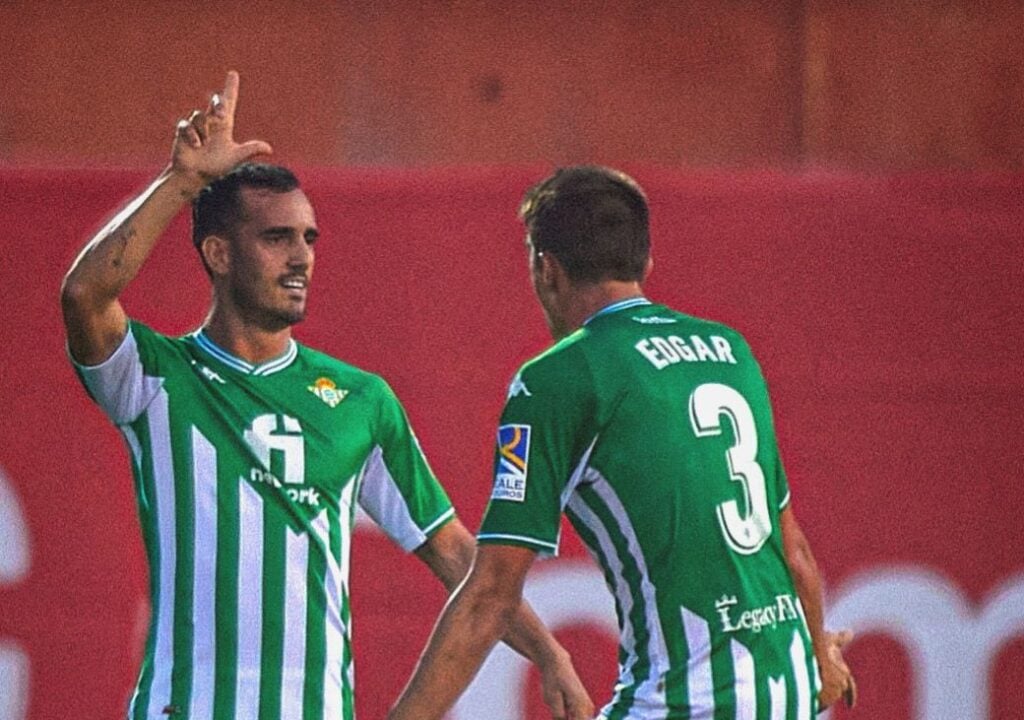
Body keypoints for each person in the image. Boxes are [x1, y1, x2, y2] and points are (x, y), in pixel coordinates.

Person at [60, 72, 591, 720]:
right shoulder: (156, 378)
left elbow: (455, 552)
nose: (302, 256)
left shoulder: (359, 400)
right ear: (219, 253)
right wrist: (183, 183)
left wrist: (549, 655)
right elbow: (85, 296)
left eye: (308, 237)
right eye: (276, 237)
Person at [388, 166, 857, 720]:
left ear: (546, 269)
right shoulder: (730, 351)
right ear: (645, 262)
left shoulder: (558, 378)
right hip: (788, 699)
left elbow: (491, 594)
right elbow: (793, 550)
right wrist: (820, 661)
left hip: (683, 706)